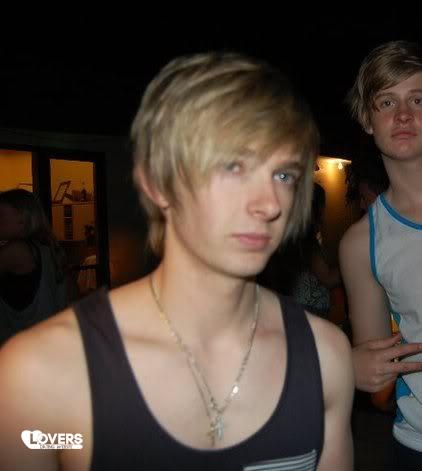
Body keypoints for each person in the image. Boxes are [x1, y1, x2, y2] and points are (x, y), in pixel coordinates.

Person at [0, 52, 354, 470]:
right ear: (156, 183)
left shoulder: (325, 356)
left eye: (284, 175)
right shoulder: (42, 371)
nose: (270, 203)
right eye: (233, 166)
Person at [339, 40, 422, 467]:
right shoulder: (361, 243)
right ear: (366, 119)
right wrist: (350, 366)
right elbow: (377, 377)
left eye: (418, 99)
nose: (404, 114)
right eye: (387, 102)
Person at [0, 189, 68, 344]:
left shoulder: (16, 251)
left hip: (20, 345)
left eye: (1, 215)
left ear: (23, 218)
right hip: (45, 340)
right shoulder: (48, 248)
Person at [291, 183, 341, 318]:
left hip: (303, 307)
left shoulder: (299, 235)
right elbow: (327, 278)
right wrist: (351, 266)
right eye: (323, 205)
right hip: (310, 309)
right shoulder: (306, 238)